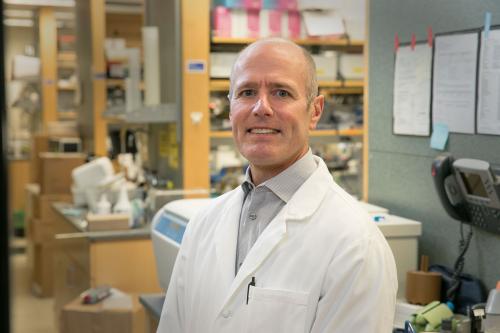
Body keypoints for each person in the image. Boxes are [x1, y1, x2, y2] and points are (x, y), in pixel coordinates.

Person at [157, 38, 397, 333]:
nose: (261, 108)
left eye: (281, 93)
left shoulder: (356, 244)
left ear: (315, 111)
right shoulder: (203, 224)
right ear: (230, 107)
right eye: (246, 92)